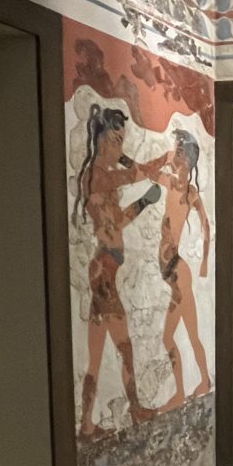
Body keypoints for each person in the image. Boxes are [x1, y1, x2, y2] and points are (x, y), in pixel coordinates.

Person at [74, 104, 168, 440]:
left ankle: (88, 424)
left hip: (104, 271)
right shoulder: (100, 176)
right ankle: (134, 409)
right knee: (123, 347)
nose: (120, 147)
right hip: (103, 275)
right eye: (116, 140)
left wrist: (144, 201)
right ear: (102, 141)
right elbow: (135, 176)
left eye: (122, 141)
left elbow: (117, 223)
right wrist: (160, 161)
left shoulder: (102, 177)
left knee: (99, 356)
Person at [148, 129, 212, 411]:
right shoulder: (174, 183)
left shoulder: (185, 190)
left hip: (177, 272)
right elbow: (147, 172)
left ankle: (185, 391)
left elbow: (207, 225)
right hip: (173, 272)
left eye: (180, 151)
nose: (175, 155)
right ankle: (201, 382)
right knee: (188, 335)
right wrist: (165, 157)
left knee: (172, 336)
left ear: (188, 159)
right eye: (175, 150)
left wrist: (205, 262)